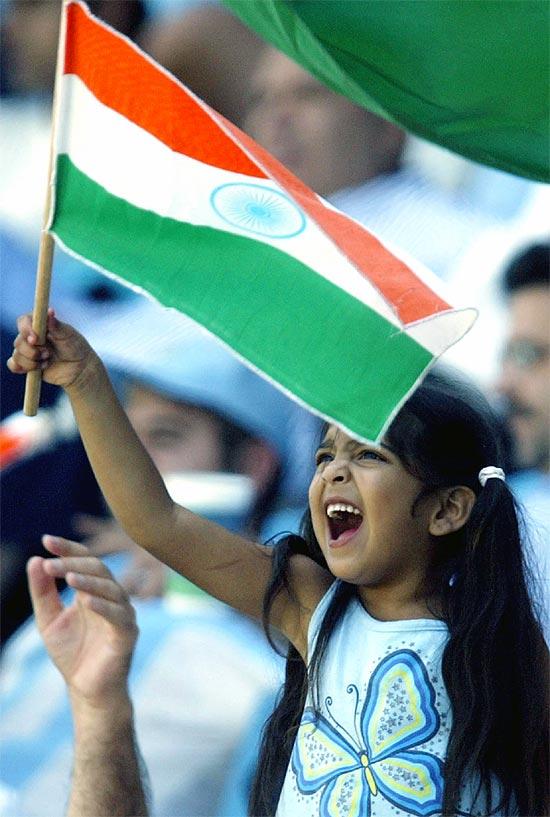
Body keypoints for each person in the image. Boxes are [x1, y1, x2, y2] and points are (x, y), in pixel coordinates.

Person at [8, 312, 549, 817]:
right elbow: (159, 521)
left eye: (367, 456)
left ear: (446, 509)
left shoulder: (506, 652)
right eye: (325, 457)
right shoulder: (313, 605)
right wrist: (85, 381)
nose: (334, 472)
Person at [1, 301, 322, 816]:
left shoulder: (291, 654)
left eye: (165, 438)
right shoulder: (77, 585)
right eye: (125, 434)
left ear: (255, 464)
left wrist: (199, 567)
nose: (124, 459)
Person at [242, 46, 499, 280]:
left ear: (387, 123)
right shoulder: (237, 238)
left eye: (309, 95)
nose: (276, 118)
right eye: (262, 99)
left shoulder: (458, 248)